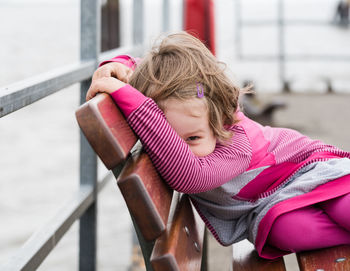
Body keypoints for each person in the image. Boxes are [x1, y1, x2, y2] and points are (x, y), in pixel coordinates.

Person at [86, 32, 350, 259]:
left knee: (344, 209)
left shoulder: (237, 144)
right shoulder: (193, 107)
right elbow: (165, 72)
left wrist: (130, 98)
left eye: (192, 139)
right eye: (165, 137)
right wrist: (116, 65)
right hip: (268, 207)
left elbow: (189, 176)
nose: (175, 150)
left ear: (218, 122)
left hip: (311, 171)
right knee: (290, 232)